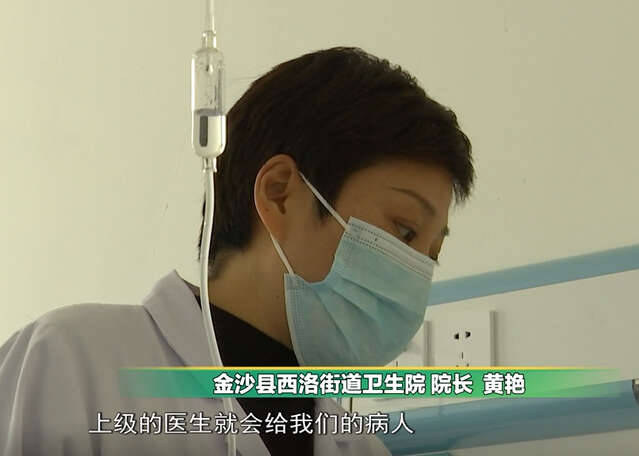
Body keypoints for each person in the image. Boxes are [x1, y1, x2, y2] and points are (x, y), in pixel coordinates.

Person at [0, 46, 474, 455]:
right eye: (405, 231)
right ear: (279, 193)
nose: (416, 272)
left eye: (432, 253)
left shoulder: (360, 446)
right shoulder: (75, 362)